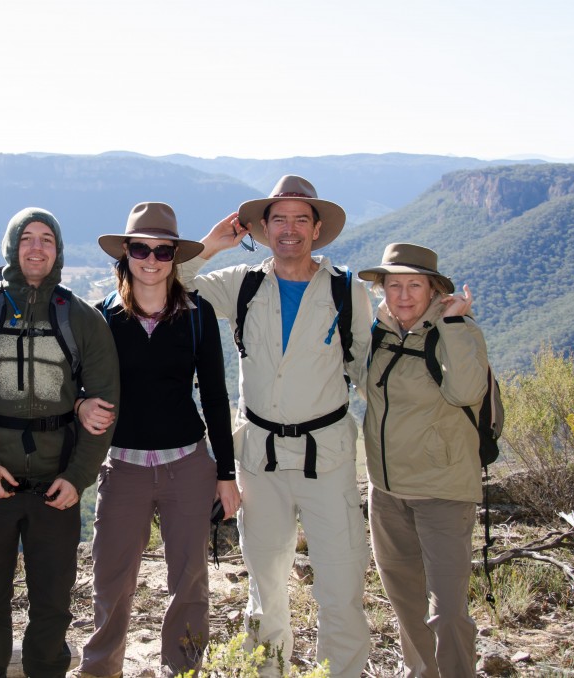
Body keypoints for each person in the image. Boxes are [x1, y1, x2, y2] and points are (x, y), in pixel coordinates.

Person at [179, 175, 372, 676]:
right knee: (265, 591)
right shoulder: (242, 284)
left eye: (300, 219)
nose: (290, 229)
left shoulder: (346, 290)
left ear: (317, 228)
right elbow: (167, 281)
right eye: (279, 218)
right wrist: (212, 243)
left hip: (326, 458)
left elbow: (371, 373)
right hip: (259, 460)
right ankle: (270, 671)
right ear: (263, 227)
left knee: (341, 587)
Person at [0, 207, 120, 678]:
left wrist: (79, 478)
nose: (37, 248)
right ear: (12, 246)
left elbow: (105, 405)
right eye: (27, 239)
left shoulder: (82, 318)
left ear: (58, 251)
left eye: (47, 240)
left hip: (58, 485)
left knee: (53, 605)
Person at [68, 202, 241, 678]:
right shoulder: (103, 317)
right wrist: (82, 404)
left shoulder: (198, 315)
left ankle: (181, 670)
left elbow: (216, 395)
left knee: (189, 585)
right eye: (140, 248)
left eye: (162, 250)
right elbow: (77, 382)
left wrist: (225, 473)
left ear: (173, 256)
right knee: (111, 582)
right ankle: (100, 670)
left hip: (188, 465)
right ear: (125, 253)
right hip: (121, 467)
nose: (151, 259)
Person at [358, 243, 487, 677]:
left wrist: (454, 322)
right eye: (394, 285)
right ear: (382, 290)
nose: (404, 294)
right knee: (406, 604)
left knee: (447, 610)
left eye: (415, 284)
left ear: (434, 290)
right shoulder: (377, 334)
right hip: (386, 493)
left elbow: (468, 392)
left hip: (443, 492)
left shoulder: (455, 329)